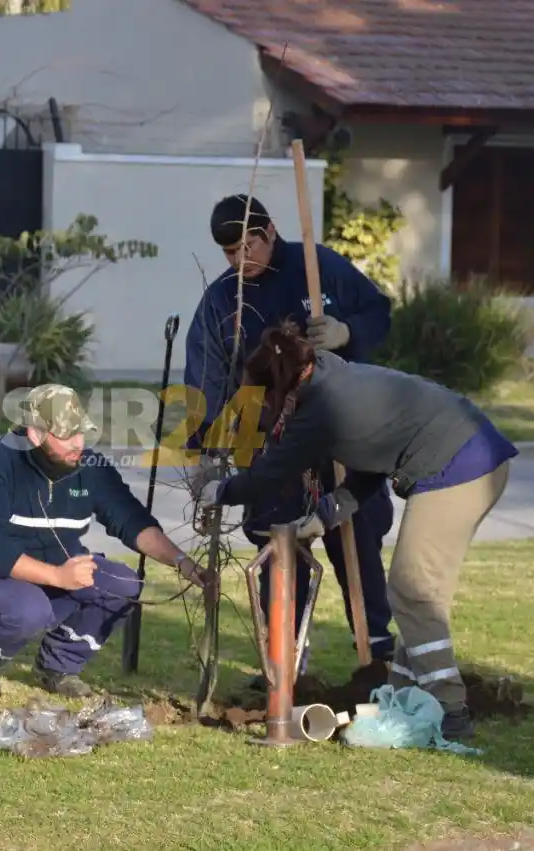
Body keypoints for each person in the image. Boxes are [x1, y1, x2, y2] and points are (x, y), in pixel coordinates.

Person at [196, 322, 519, 742]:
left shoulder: (320, 409)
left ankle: (451, 711)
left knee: (412, 590)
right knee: (418, 594)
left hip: (459, 466)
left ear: (280, 388)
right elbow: (374, 458)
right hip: (475, 455)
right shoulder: (331, 374)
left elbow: (267, 477)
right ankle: (406, 699)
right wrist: (328, 514)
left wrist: (219, 490)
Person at [182, 194, 398, 672]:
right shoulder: (222, 299)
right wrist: (207, 451)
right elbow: (206, 379)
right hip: (272, 442)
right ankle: (285, 660)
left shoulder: (317, 266)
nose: (241, 261)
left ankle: (378, 654)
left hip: (343, 430)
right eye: (229, 253)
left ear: (269, 232)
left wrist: (347, 332)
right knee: (279, 546)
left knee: (358, 540)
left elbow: (379, 313)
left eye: (247, 247)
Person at [0, 384, 209, 699]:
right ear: (35, 434)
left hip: (58, 569)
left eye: (82, 432)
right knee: (29, 609)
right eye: (68, 435)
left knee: (123, 584)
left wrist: (184, 564)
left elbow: (131, 521)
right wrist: (58, 577)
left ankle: (58, 666)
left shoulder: (89, 468)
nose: (79, 443)